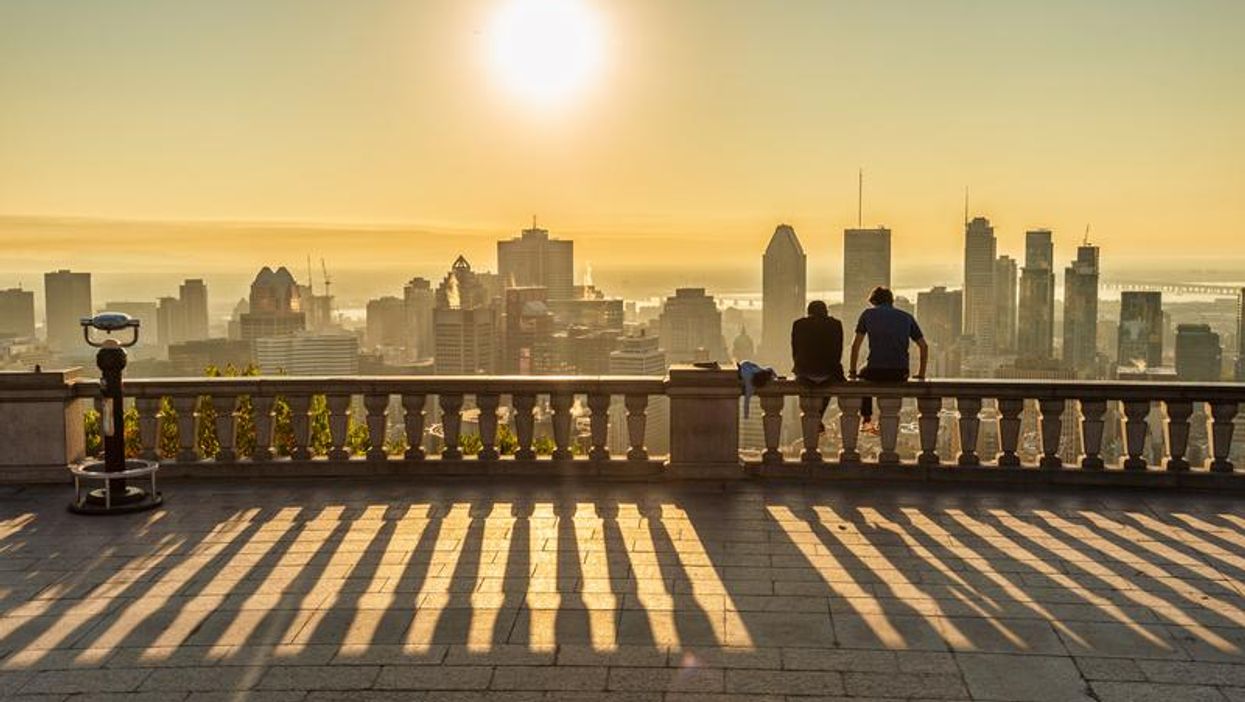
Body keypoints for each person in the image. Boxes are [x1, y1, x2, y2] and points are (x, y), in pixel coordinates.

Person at [849, 286, 928, 432]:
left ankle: (867, 419)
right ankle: (881, 421)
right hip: (900, 372)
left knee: (862, 375)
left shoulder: (867, 314)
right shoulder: (906, 317)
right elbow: (923, 346)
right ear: (891, 301)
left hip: (875, 370)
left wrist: (852, 372)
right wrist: (921, 373)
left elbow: (855, 345)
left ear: (874, 301)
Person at [791, 300, 845, 423]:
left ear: (808, 312)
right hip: (828, 372)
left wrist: (799, 367)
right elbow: (838, 350)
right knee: (829, 384)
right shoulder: (835, 324)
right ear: (826, 312)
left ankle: (815, 418)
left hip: (804, 372)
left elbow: (795, 350)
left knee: (806, 389)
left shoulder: (799, 324)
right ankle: (819, 416)